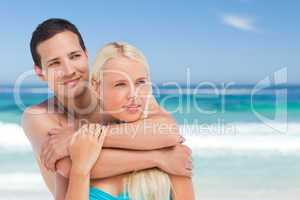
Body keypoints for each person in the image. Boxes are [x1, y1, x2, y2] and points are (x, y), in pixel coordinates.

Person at [21, 18, 194, 199]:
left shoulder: (119, 95)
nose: (69, 70)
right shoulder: (38, 117)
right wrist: (159, 158)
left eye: (74, 56)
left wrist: (79, 138)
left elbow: (168, 132)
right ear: (40, 72)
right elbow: (68, 167)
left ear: (86, 54)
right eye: (55, 63)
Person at [55, 42, 195, 199]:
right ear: (96, 88)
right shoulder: (75, 153)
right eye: (120, 84)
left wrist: (90, 138)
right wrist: (80, 171)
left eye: (140, 82)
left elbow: (169, 130)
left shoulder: (172, 152)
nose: (133, 94)